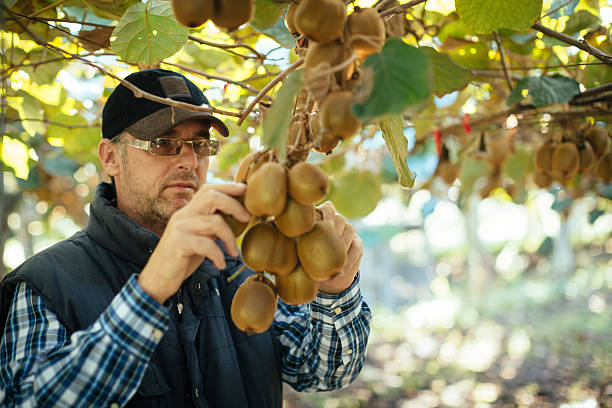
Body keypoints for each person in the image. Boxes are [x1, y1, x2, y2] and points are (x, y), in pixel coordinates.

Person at [0, 68, 371, 407]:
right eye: (163, 143)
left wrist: (335, 290)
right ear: (110, 157)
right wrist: (151, 289)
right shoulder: (44, 285)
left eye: (201, 145)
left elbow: (324, 372)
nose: (190, 162)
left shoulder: (241, 264)